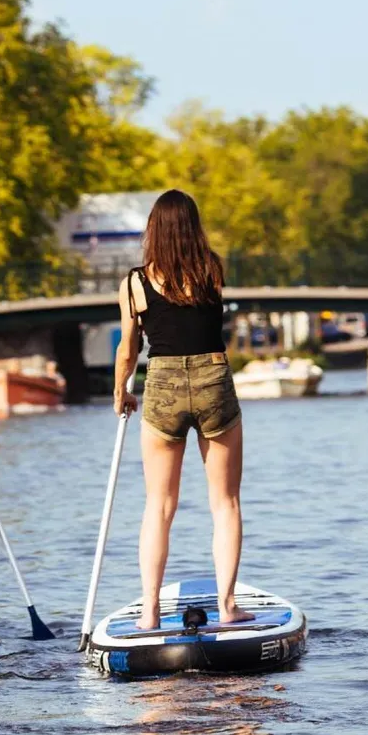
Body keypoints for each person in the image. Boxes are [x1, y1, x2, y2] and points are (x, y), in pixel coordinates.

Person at [113, 189, 253, 630]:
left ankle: (150, 611)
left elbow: (128, 348)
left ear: (153, 229)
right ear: (194, 227)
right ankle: (228, 606)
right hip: (213, 382)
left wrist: (120, 391)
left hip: (163, 386)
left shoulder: (134, 283)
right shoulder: (211, 270)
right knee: (225, 502)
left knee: (158, 505)